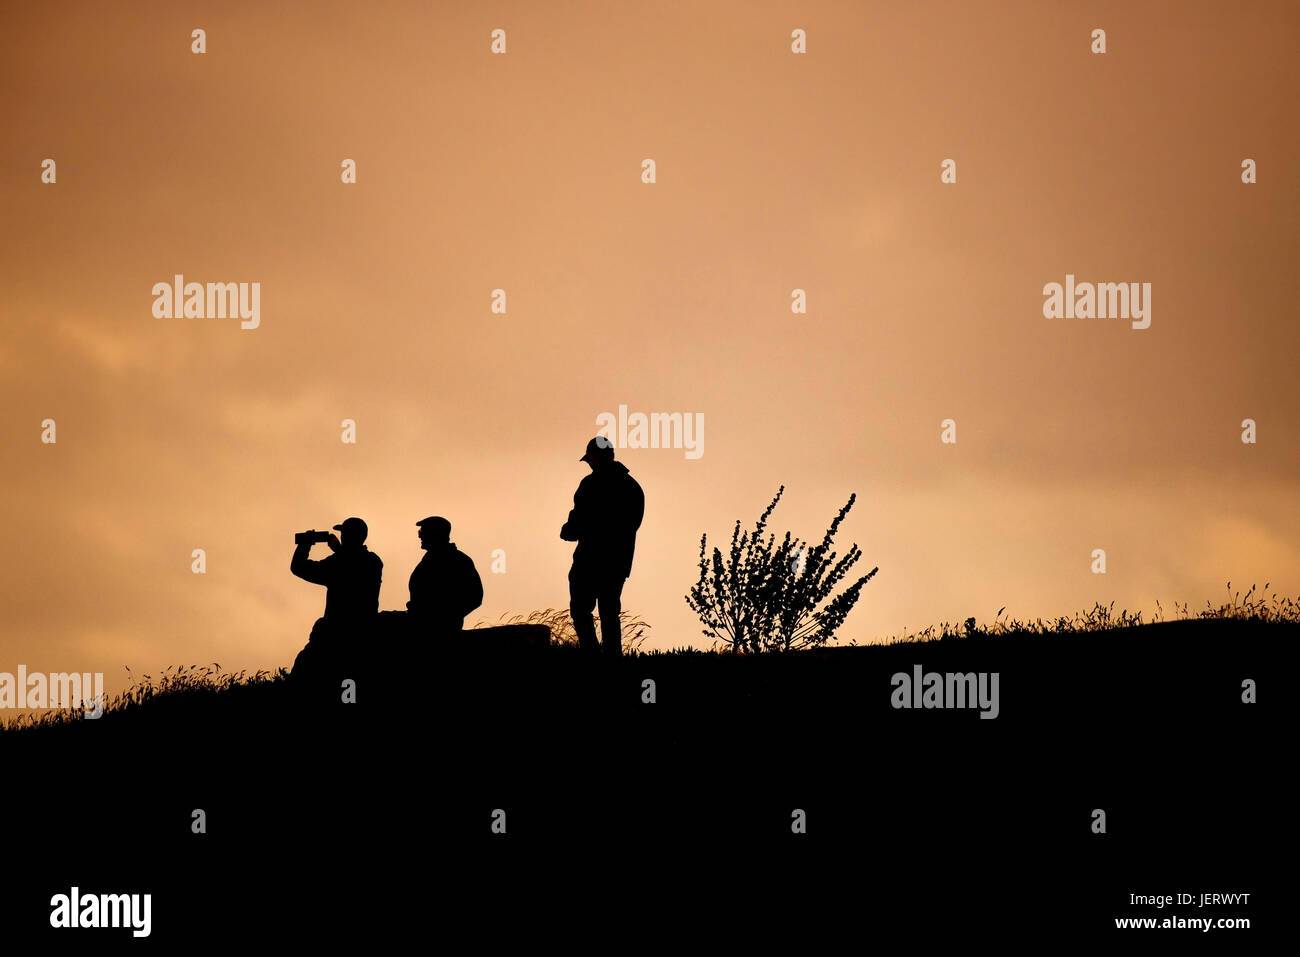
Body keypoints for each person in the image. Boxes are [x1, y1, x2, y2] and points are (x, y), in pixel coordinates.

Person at [562, 437, 644, 656]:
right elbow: (632, 525)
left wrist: (568, 531)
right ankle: (612, 660)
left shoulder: (590, 485)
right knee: (609, 612)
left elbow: (577, 522)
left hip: (589, 560)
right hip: (618, 562)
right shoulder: (633, 487)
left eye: (590, 459)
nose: (589, 464)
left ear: (596, 457)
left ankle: (591, 656)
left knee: (580, 610)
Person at [289, 516, 382, 680]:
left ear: (346, 536)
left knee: (304, 674)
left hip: (335, 635)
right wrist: (339, 550)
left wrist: (305, 545)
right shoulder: (373, 561)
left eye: (344, 534)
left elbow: (299, 567)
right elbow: (354, 565)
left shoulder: (338, 563)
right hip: (364, 634)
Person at [407, 516, 484, 638]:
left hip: (440, 632)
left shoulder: (459, 561)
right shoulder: (428, 560)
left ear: (436, 534)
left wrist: (446, 619)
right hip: (418, 627)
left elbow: (475, 596)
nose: (420, 536)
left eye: (423, 532)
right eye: (420, 532)